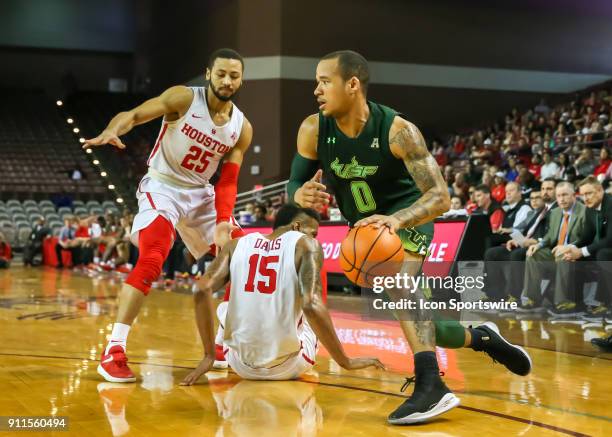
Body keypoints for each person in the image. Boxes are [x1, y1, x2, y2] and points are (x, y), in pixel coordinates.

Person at [285, 50, 531, 424]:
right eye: (316, 81)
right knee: (422, 322)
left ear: (352, 84)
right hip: (363, 228)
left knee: (400, 285)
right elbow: (294, 184)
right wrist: (298, 195)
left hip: (408, 215)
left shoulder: (398, 130)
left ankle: (431, 386)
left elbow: (440, 196)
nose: (316, 89)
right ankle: (481, 337)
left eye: (324, 80)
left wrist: (397, 220)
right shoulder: (313, 129)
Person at [86, 48, 253, 383]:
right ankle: (113, 349)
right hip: (162, 185)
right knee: (152, 257)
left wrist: (223, 222)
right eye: (221, 73)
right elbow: (133, 115)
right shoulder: (184, 98)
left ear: (241, 79)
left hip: (201, 193)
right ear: (208, 73)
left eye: (234, 75)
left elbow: (229, 181)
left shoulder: (241, 127)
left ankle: (222, 341)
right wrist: (113, 129)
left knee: (245, 256)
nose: (227, 80)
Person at [181, 204, 384, 385]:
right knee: (308, 301)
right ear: (296, 227)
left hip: (239, 365)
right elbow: (311, 305)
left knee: (227, 306)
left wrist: (207, 355)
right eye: (313, 233)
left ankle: (215, 353)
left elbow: (201, 289)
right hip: (289, 366)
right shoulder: (306, 244)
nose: (314, 238)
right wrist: (346, 361)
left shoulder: (236, 245)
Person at [520, 182, 594, 315]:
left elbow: (587, 237)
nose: (561, 199)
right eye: (559, 195)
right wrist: (538, 245)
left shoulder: (584, 211)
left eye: (565, 195)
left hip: (576, 252)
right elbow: (550, 236)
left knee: (562, 254)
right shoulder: (554, 212)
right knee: (533, 255)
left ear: (574, 196)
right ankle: (532, 299)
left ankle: (563, 302)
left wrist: (567, 247)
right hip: (556, 251)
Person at [556, 176, 612, 320]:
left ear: (600, 191)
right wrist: (571, 248)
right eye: (582, 195)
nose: (585, 198)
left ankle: (608, 305)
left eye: (589, 193)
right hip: (602, 249)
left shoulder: (610, 205)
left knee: (603, 255)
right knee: (573, 257)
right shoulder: (590, 209)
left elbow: (610, 239)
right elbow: (586, 237)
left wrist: (581, 251)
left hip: (608, 249)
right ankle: (577, 304)